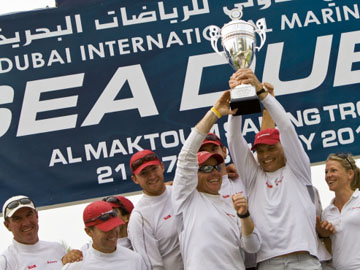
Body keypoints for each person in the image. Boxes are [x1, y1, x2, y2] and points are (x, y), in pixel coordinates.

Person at [227, 68, 321, 269]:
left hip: (304, 260)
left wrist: (262, 93)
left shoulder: (297, 170)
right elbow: (234, 139)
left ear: (283, 147)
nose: (266, 155)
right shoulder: (253, 178)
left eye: (271, 148)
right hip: (268, 262)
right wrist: (236, 99)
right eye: (260, 151)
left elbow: (286, 127)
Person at [172, 90, 261, 269]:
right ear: (193, 174)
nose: (213, 172)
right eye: (205, 168)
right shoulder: (186, 199)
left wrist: (244, 215)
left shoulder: (233, 205)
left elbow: (252, 247)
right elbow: (186, 155)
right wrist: (215, 113)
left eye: (216, 166)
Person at [127, 149, 183, 270]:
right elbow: (152, 267)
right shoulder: (140, 217)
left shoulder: (180, 192)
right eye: (144, 173)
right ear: (135, 179)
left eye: (154, 169)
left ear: (162, 167)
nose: (151, 176)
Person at [61, 200, 146, 269]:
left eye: (114, 226)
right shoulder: (77, 266)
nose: (113, 233)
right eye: (106, 229)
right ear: (89, 232)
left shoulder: (135, 260)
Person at [0, 195, 69, 269]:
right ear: (7, 225)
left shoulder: (57, 249)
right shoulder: (5, 261)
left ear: (36, 216)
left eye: (29, 215)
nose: (26, 223)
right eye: (17, 219)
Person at [319, 153, 360, 270]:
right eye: (326, 172)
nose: (328, 175)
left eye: (333, 170)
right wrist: (323, 234)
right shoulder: (327, 212)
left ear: (350, 174)